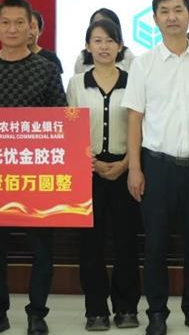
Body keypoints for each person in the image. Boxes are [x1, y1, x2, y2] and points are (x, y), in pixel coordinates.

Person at [122, 0, 189, 335]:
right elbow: (134, 119)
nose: (172, 17)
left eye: (178, 9)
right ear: (155, 19)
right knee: (156, 245)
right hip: (157, 167)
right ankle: (157, 313)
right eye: (165, 11)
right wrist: (135, 169)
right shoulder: (143, 64)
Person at [66, 19, 140, 331]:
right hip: (88, 170)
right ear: (88, 46)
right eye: (97, 40)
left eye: (110, 41)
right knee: (91, 245)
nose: (104, 46)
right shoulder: (76, 84)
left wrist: (126, 163)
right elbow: (70, 127)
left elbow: (141, 126)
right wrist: (92, 163)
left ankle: (126, 308)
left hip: (126, 168)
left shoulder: (133, 80)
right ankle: (95, 310)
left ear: (120, 46)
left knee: (126, 242)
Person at [0, 0, 67, 335]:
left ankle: (37, 313)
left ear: (31, 27)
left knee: (42, 250)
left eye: (19, 23)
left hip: (37, 175)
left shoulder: (46, 69)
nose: (12, 29)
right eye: (5, 22)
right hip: (0, 175)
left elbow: (63, 121)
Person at [74, 8, 134, 74]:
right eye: (97, 23)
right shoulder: (82, 58)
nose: (104, 47)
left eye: (110, 41)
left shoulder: (127, 55)